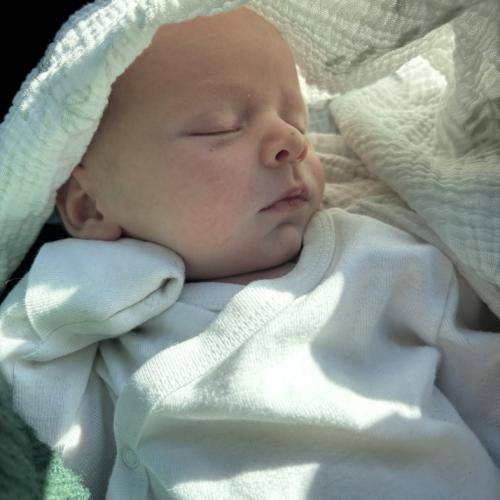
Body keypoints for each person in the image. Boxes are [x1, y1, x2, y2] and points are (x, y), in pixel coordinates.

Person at [1, 6, 500, 500]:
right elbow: (30, 402)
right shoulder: (85, 292)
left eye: (297, 120)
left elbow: (485, 383)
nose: (291, 141)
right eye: (219, 127)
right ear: (90, 206)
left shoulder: (379, 260)